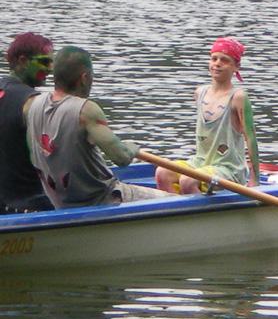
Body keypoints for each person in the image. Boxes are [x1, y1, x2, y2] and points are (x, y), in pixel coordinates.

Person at [25, 46, 171, 208]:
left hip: (61, 203)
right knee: (173, 200)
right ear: (85, 77)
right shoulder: (86, 110)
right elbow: (121, 158)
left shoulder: (32, 105)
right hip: (102, 198)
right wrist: (132, 149)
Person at [155, 37, 259, 194]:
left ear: (236, 66)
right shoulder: (199, 93)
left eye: (224, 60)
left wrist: (254, 179)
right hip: (201, 162)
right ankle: (174, 210)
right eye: (214, 59)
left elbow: (250, 138)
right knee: (162, 173)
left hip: (228, 168)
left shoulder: (238, 97)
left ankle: (195, 215)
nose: (217, 63)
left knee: (188, 180)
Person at [0, 33, 55, 213]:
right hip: (27, 203)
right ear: (23, 61)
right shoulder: (32, 103)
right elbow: (53, 153)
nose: (51, 69)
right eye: (45, 62)